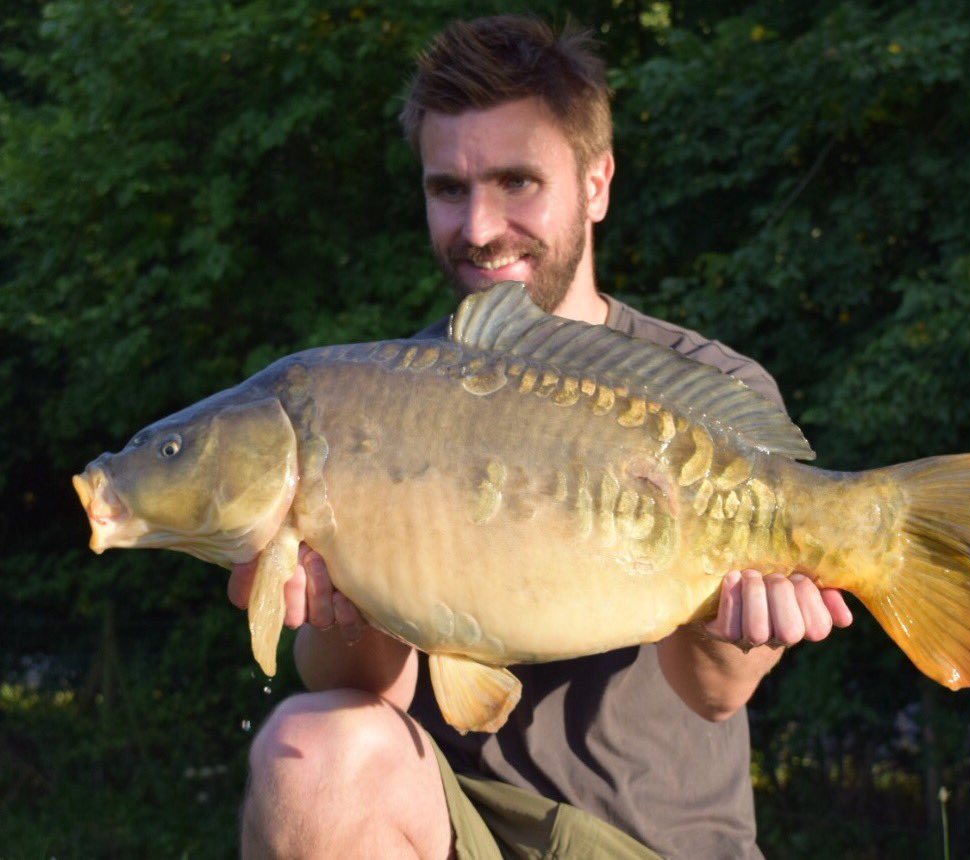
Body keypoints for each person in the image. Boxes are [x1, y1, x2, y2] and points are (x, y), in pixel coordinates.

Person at [229, 15, 853, 859]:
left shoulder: (707, 391)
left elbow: (713, 695)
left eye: (517, 182)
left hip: (647, 843)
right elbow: (361, 689)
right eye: (448, 189)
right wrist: (337, 589)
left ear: (595, 184)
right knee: (309, 752)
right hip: (449, 822)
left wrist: (743, 625)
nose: (479, 226)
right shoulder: (375, 395)